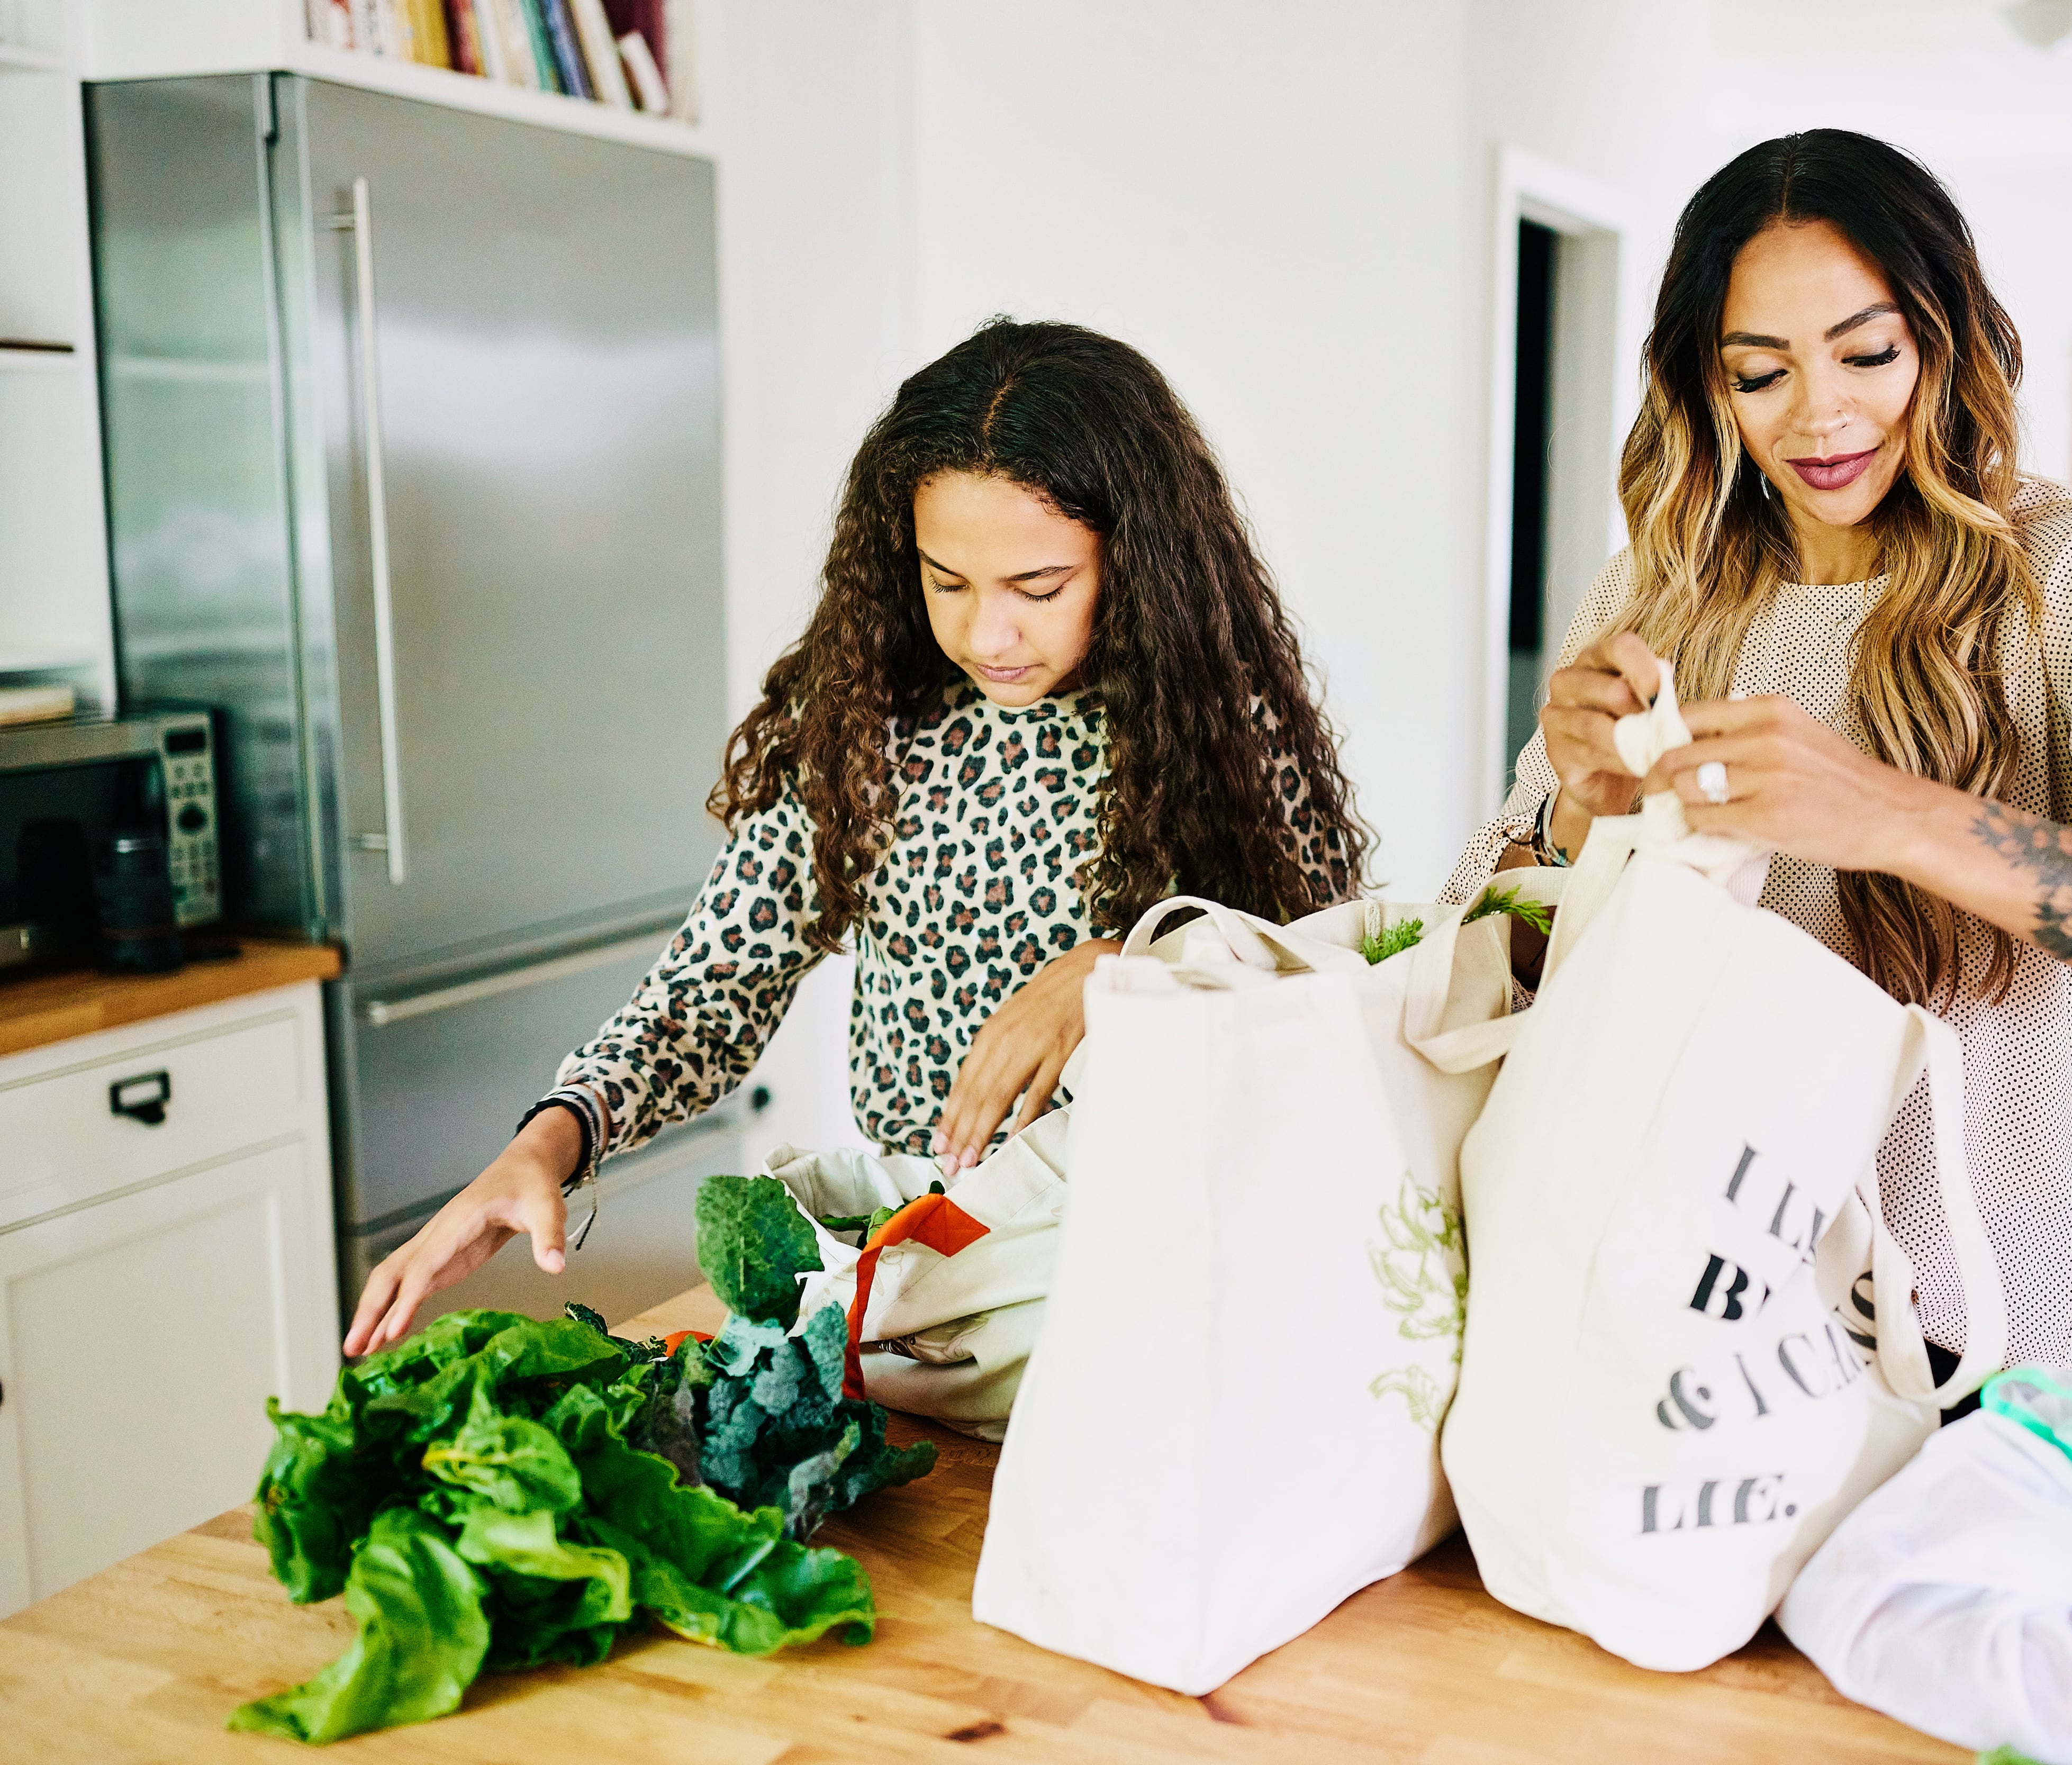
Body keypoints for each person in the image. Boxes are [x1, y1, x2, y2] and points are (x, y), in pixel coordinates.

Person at [1452, 131, 2072, 1375]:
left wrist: (1889, 817)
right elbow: (1484, 984)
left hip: (1956, 1360)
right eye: (1760, 374)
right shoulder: (1653, 597)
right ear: (1708, 387)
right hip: (1666, 1326)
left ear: (1946, 339)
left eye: (1866, 354)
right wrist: (1577, 826)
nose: (1819, 415)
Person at [347, 319, 1368, 1354]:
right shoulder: (862, 731)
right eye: (946, 581)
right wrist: (548, 1142)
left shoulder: (1228, 734)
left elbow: (1333, 1009)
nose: (986, 635)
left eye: (1040, 587)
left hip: (1163, 1277)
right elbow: (711, 992)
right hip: (919, 1280)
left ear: (1138, 563)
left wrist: (1127, 967)